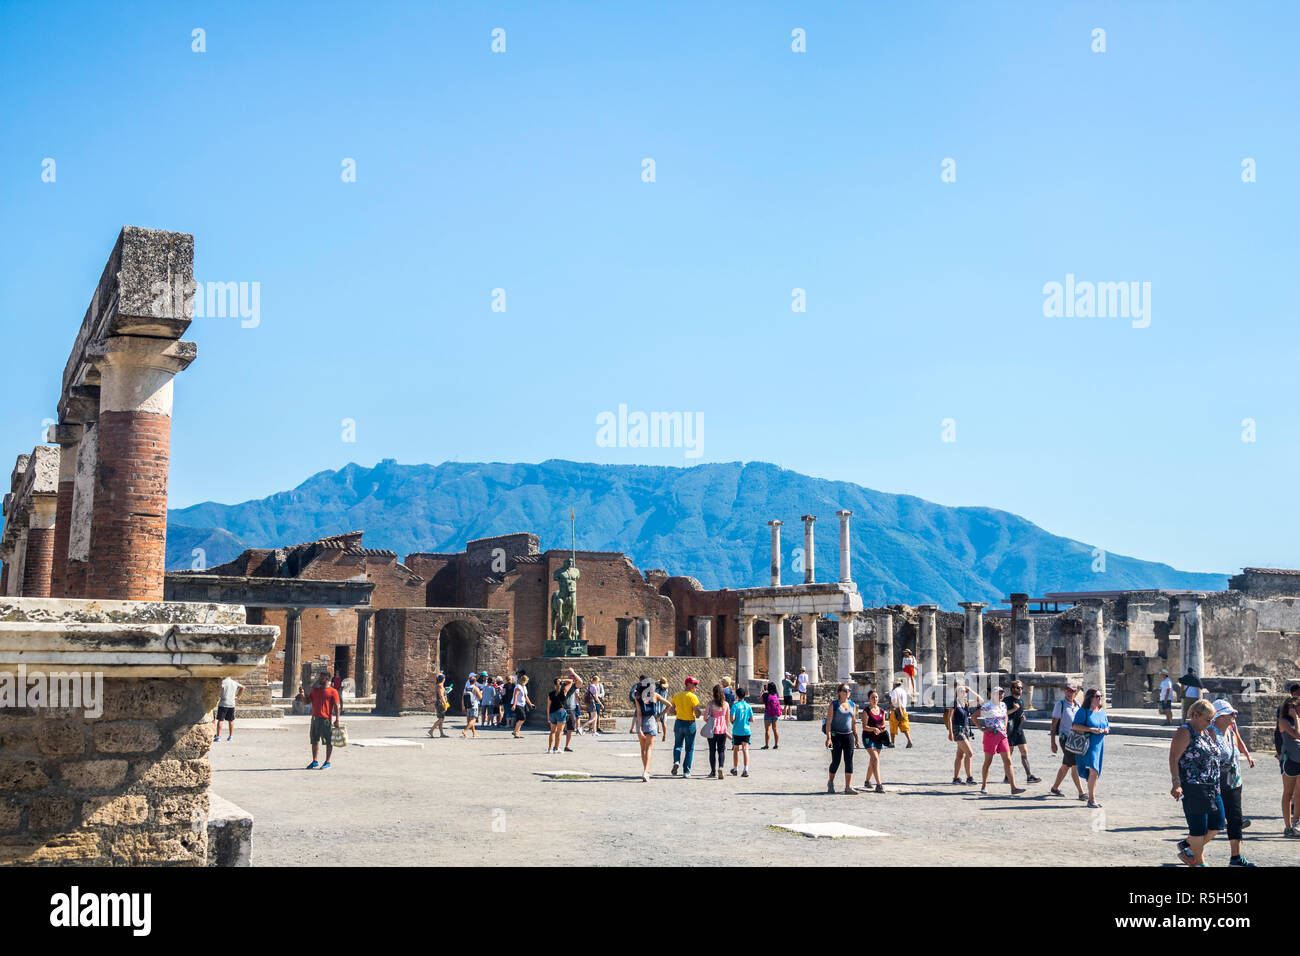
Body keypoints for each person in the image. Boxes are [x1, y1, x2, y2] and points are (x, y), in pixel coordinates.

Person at [1187, 699, 1256, 866]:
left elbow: (1238, 741)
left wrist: (1247, 755)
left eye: (1234, 713)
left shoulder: (1231, 729)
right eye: (1229, 713)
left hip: (1234, 781)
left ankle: (1236, 857)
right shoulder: (1210, 732)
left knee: (1235, 819)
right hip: (1215, 783)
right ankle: (1190, 848)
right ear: (1218, 716)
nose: (1234, 715)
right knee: (1215, 822)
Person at [1168, 698, 1224, 867]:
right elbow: (1173, 758)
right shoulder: (1185, 732)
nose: (1210, 723)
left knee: (1217, 824)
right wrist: (1176, 782)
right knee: (1198, 828)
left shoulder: (1205, 732)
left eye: (1212, 720)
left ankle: (1188, 846)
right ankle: (1199, 862)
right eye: (1208, 720)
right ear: (1195, 715)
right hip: (1194, 786)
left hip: (1213, 786)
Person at [977, 687, 1024, 795]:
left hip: (1002, 736)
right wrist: (981, 728)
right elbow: (974, 716)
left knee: (1008, 760)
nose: (1001, 695)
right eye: (999, 694)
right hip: (991, 736)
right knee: (988, 761)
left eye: (1002, 693)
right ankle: (984, 785)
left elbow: (1005, 715)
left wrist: (1005, 727)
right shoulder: (988, 706)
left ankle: (1013, 787)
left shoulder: (1003, 705)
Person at [1072, 687, 1110, 808]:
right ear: (1091, 698)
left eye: (1100, 697)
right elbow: (1075, 726)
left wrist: (1105, 730)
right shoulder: (1083, 711)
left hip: (1099, 745)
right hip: (1088, 745)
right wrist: (1091, 729)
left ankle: (1091, 796)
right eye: (1097, 696)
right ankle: (1092, 799)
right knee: (1093, 769)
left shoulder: (1102, 711)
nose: (1100, 699)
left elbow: (1108, 726)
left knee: (1095, 772)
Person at [1048, 682, 1085, 799]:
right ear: (1065, 691)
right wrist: (1052, 742)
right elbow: (1053, 725)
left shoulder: (1078, 705)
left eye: (1072, 691)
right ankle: (1081, 792)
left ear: (1076, 693)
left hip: (1076, 740)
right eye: (1068, 690)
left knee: (1066, 765)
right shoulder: (1060, 705)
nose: (1070, 693)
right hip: (1066, 740)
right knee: (1075, 764)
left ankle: (1055, 788)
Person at [633, 677, 672, 782]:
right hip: (652, 722)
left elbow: (639, 714)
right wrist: (659, 716)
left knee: (643, 749)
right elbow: (669, 705)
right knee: (649, 749)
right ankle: (646, 771)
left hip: (641, 723)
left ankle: (645, 770)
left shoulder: (638, 697)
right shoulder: (655, 695)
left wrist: (640, 728)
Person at [826, 683, 860, 794]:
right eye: (845, 690)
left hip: (848, 735)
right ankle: (830, 782)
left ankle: (848, 786)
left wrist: (856, 737)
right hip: (837, 736)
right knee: (836, 761)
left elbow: (853, 722)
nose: (847, 692)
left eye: (849, 690)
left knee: (849, 760)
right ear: (840, 692)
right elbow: (829, 722)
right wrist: (829, 738)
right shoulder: (834, 705)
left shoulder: (852, 705)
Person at [1004, 680, 1039, 783]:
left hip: (1019, 730)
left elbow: (1020, 713)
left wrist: (1023, 718)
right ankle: (1007, 776)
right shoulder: (1007, 700)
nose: (1020, 690)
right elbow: (1004, 714)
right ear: (1012, 689)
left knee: (1024, 752)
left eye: (1021, 688)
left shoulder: (1021, 701)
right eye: (1017, 688)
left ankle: (1029, 776)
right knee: (1008, 754)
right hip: (1009, 731)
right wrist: (1014, 709)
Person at [305, 672, 341, 770]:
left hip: (326, 720)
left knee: (328, 741)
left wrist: (337, 720)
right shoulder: (315, 690)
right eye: (319, 677)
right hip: (315, 719)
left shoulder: (333, 691)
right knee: (314, 740)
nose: (319, 679)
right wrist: (302, 695)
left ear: (327, 679)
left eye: (321, 678)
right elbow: (307, 702)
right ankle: (315, 761)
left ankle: (327, 761)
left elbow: (337, 706)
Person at [946, 684, 979, 784]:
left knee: (960, 755)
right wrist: (950, 732)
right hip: (957, 730)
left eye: (965, 691)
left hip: (966, 730)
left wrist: (971, 690)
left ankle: (956, 778)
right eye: (962, 691)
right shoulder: (954, 703)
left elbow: (981, 701)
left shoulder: (966, 703)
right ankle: (969, 778)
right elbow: (949, 719)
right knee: (970, 753)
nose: (964, 693)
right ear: (957, 693)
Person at [671, 677, 704, 777]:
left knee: (677, 745)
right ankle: (686, 771)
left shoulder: (676, 696)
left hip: (679, 722)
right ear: (688, 684)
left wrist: (679, 712)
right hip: (689, 724)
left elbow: (671, 710)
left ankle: (676, 761)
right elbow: (697, 713)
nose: (696, 686)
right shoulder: (692, 697)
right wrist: (698, 713)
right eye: (694, 684)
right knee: (689, 748)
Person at [1277, 697, 1300, 837]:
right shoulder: (1283, 721)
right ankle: (1288, 826)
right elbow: (1297, 735)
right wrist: (1295, 718)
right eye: (1297, 707)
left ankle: (1297, 822)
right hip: (1290, 760)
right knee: (1288, 793)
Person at [859, 688, 888, 792]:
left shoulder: (881, 711)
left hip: (878, 738)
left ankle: (867, 781)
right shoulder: (866, 711)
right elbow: (864, 726)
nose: (875, 699)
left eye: (876, 697)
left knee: (873, 760)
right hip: (868, 738)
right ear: (869, 699)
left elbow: (883, 724)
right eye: (872, 697)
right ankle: (879, 785)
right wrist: (874, 729)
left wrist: (882, 730)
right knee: (875, 759)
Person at [546, 672, 579, 754]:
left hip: (552, 713)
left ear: (554, 684)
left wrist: (548, 716)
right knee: (559, 732)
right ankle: (556, 748)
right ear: (561, 683)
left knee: (552, 731)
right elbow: (571, 681)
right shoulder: (564, 691)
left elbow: (548, 706)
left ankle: (550, 748)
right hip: (560, 712)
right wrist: (563, 680)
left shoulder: (550, 694)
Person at [704, 684, 731, 779]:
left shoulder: (710, 704)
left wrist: (710, 721)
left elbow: (705, 717)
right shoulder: (726, 704)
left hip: (712, 729)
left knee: (712, 750)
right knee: (721, 750)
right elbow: (727, 718)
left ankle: (713, 771)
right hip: (722, 730)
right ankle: (721, 767)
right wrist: (724, 726)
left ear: (713, 693)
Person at [729, 687, 753, 777]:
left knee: (736, 750)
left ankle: (735, 769)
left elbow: (732, 718)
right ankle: (746, 769)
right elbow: (752, 719)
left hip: (737, 730)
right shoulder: (748, 706)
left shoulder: (735, 706)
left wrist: (733, 722)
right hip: (746, 730)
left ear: (737, 695)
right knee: (745, 749)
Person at [215, 675, 243, 742]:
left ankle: (218, 736)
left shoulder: (222, 683)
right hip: (231, 703)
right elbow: (243, 687)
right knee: (231, 720)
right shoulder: (234, 682)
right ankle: (230, 736)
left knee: (220, 720)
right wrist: (238, 696)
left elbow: (217, 690)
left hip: (223, 703)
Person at [561, 666, 584, 745]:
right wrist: (572, 673)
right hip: (564, 709)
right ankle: (555, 747)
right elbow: (580, 681)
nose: (572, 677)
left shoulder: (572, 685)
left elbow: (580, 682)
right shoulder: (564, 685)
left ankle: (566, 746)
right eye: (571, 676)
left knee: (570, 729)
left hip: (569, 709)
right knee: (560, 729)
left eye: (573, 676)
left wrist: (573, 673)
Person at [888, 680, 914, 749]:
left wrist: (890, 708)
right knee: (905, 727)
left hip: (896, 711)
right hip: (903, 711)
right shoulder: (903, 691)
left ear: (895, 684)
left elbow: (894, 701)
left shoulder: (894, 691)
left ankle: (892, 742)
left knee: (893, 727)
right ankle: (909, 740)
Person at [427, 673, 450, 738]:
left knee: (441, 719)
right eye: (444, 678)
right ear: (443, 679)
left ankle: (441, 733)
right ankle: (431, 731)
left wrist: (445, 689)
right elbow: (441, 695)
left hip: (440, 703)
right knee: (441, 719)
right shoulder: (440, 686)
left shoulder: (440, 685)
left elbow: (442, 692)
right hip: (440, 703)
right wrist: (445, 704)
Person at [461, 672, 483, 738]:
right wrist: (481, 692)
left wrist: (463, 706)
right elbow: (480, 697)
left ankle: (474, 734)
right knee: (474, 719)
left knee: (470, 720)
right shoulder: (475, 688)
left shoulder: (466, 688)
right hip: (474, 705)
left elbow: (463, 697)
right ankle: (465, 730)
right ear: (475, 681)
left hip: (468, 705)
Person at [760, 681, 782, 749]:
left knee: (767, 730)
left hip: (768, 713)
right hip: (775, 713)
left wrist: (762, 692)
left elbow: (760, 700)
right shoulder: (776, 695)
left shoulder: (766, 695)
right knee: (775, 729)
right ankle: (776, 744)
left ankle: (766, 745)